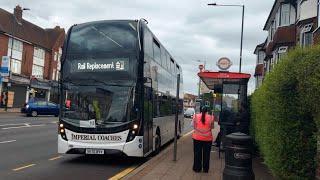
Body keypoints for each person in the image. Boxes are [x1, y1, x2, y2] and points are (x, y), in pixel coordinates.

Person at [192, 106, 214, 173]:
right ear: (207, 111)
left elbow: (193, 126)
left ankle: (197, 168)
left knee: (197, 154)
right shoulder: (211, 117)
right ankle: (205, 169)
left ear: (200, 110)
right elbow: (212, 127)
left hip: (197, 138)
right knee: (206, 154)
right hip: (208, 139)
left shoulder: (195, 116)